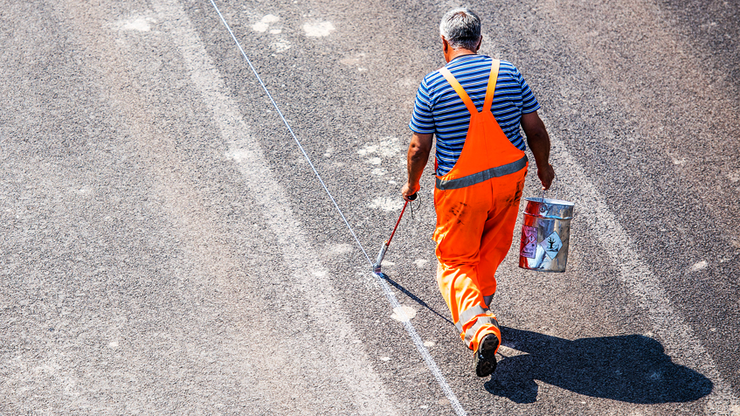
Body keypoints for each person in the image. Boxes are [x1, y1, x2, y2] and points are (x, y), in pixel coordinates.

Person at [401, 7, 555, 377]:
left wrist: (412, 183)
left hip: (461, 191)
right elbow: (534, 129)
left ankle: (478, 326)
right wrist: (544, 167)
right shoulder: (509, 73)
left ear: (444, 43)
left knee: (454, 262)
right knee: (492, 247)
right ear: (479, 40)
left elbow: (419, 148)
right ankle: (480, 302)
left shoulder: (433, 85)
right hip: (509, 181)